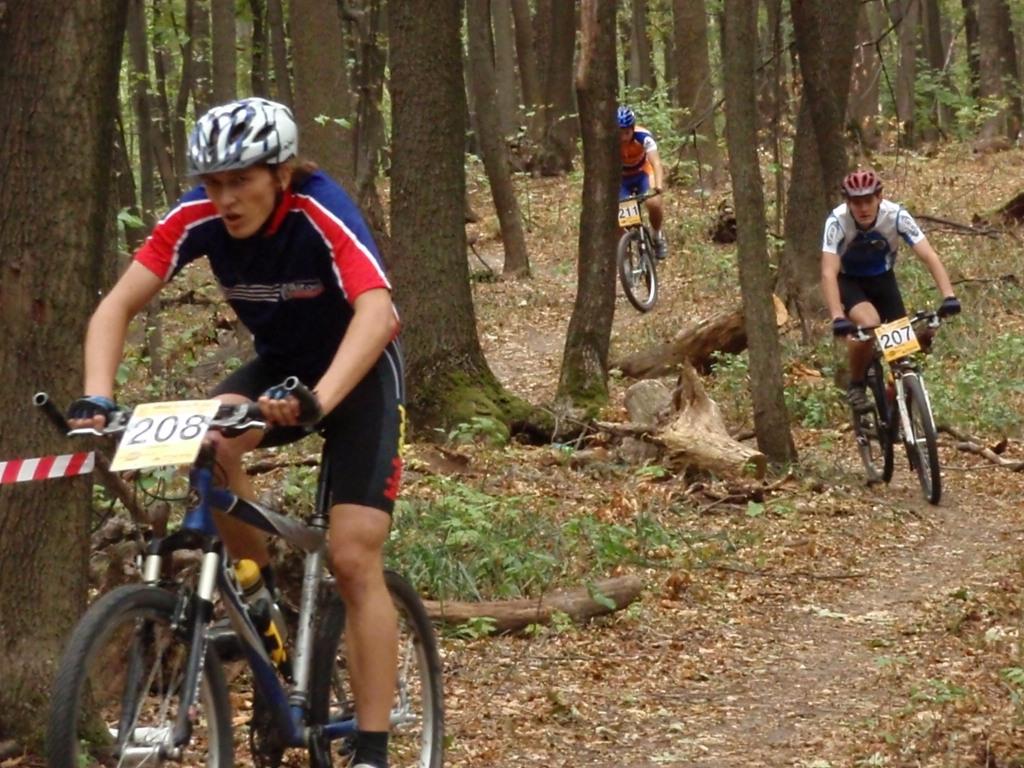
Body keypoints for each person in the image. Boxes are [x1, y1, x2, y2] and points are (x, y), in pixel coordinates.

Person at [67, 97, 403, 768]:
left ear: (280, 173)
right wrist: (98, 397)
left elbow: (378, 313)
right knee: (208, 438)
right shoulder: (197, 216)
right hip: (278, 371)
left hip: (360, 376)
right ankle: (260, 595)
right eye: (213, 183)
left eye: (241, 181)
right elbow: (116, 306)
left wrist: (318, 400)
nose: (224, 199)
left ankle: (372, 747)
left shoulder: (320, 208)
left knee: (352, 556)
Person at [821, 169, 961, 412]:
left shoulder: (896, 215)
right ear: (848, 202)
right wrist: (837, 316)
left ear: (880, 197)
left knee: (905, 354)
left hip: (883, 280)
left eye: (868, 201)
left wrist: (949, 295)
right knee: (869, 323)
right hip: (849, 282)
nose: (863, 208)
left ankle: (892, 401)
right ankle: (857, 384)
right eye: (856, 202)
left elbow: (929, 255)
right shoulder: (837, 221)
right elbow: (828, 272)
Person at [617, 105, 668, 259]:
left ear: (633, 129)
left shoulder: (643, 137)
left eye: (627, 132)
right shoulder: (610, 142)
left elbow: (656, 163)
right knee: (619, 219)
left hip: (643, 174)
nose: (623, 137)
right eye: (620, 133)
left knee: (654, 203)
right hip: (622, 179)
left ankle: (656, 235)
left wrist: (658, 185)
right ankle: (624, 256)